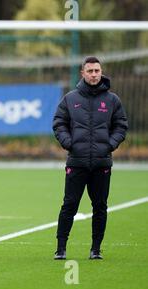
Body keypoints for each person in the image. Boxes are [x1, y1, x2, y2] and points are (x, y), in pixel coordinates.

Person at [52, 56, 128, 260]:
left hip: (102, 163)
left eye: (97, 71)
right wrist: (69, 143)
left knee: (100, 206)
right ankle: (60, 249)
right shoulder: (70, 99)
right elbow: (59, 123)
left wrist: (110, 145)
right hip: (76, 162)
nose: (94, 74)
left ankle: (95, 249)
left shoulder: (112, 100)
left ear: (101, 72)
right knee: (69, 205)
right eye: (90, 71)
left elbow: (121, 125)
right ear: (83, 73)